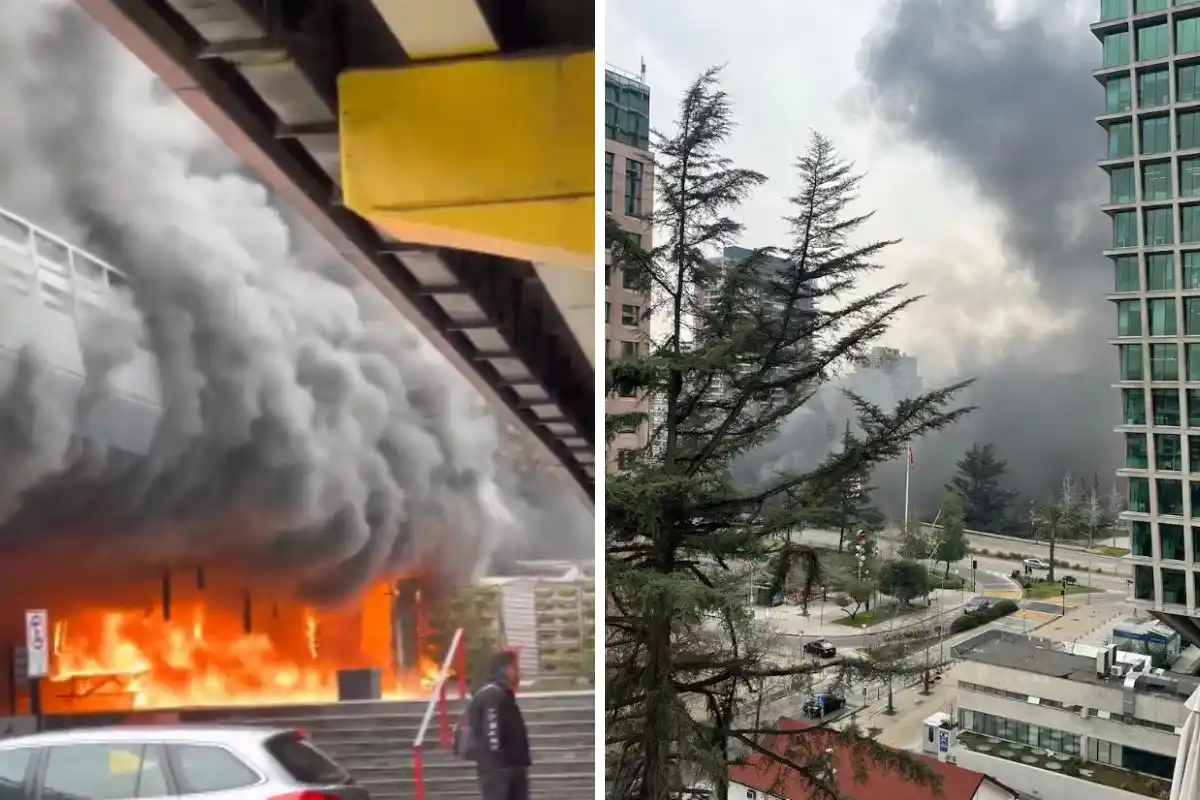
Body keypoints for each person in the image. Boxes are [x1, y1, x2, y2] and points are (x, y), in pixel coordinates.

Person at [469, 650, 531, 800]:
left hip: (510, 768)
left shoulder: (501, 695)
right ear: (505, 670)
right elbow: (492, 733)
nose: (518, 673)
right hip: (500, 771)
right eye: (515, 668)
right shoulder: (492, 695)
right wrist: (500, 767)